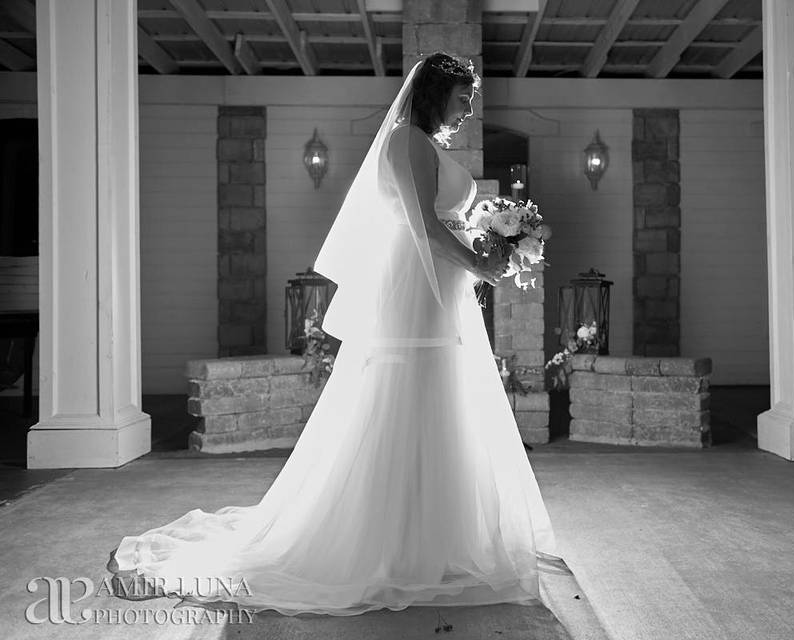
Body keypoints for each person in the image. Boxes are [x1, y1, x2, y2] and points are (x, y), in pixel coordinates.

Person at [107, 52, 560, 617]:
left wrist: (494, 240)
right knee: (410, 396)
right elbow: (422, 226)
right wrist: (482, 264)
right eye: (463, 97)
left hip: (441, 289)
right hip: (416, 289)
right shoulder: (408, 142)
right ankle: (393, 546)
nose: (469, 108)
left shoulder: (428, 146)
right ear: (438, 93)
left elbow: (445, 223)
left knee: (440, 399)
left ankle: (436, 539)